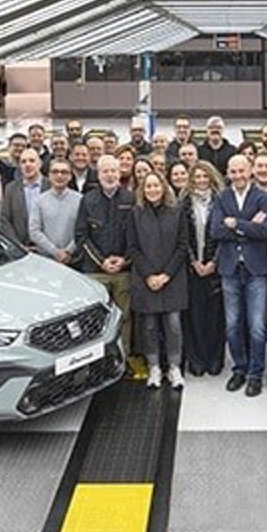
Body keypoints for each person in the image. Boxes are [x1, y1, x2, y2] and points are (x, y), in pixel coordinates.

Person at [209, 154, 267, 397]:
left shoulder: (262, 197)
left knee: (257, 326)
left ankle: (255, 374)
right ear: (228, 173)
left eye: (242, 171)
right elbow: (216, 230)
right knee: (232, 325)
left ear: (250, 171)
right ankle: (239, 369)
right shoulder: (222, 197)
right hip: (229, 269)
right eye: (233, 171)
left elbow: (264, 230)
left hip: (256, 269)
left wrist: (235, 223)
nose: (238, 175)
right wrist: (248, 226)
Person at [128, 171, 189, 388]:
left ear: (163, 187)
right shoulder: (135, 213)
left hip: (172, 277)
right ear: (142, 190)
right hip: (145, 278)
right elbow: (132, 248)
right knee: (149, 326)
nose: (152, 190)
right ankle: (154, 367)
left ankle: (174, 367)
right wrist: (149, 275)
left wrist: (166, 275)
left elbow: (182, 246)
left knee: (173, 325)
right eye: (148, 186)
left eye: (156, 185)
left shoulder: (177, 211)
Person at [76, 155, 135, 359]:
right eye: (105, 171)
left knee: (124, 318)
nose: (110, 175)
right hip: (95, 272)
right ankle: (97, 361)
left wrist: (124, 259)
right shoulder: (88, 200)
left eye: (113, 171)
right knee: (96, 321)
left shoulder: (131, 199)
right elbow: (81, 236)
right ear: (98, 174)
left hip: (123, 272)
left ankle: (123, 358)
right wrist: (101, 261)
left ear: (120, 174)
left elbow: (136, 235)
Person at [183, 160, 224, 377]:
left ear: (211, 177)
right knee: (195, 316)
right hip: (193, 268)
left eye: (205, 176)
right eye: (197, 177)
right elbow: (182, 237)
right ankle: (197, 359)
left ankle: (215, 358)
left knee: (216, 316)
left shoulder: (221, 201)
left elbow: (225, 236)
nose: (201, 180)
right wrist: (194, 262)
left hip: (215, 267)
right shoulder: (183, 203)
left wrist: (213, 263)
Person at [28, 158, 82, 266]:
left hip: (74, 260)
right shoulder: (39, 201)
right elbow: (34, 231)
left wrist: (68, 251)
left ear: (70, 176)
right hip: (45, 261)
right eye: (55, 172)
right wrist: (55, 252)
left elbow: (82, 231)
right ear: (49, 175)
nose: (59, 175)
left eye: (64, 172)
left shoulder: (80, 200)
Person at [1, 148, 46, 247]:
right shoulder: (10, 189)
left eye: (32, 161)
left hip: (48, 249)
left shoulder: (51, 186)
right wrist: (17, 245)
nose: (27, 165)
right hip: (20, 248)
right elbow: (5, 219)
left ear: (40, 164)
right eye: (23, 162)